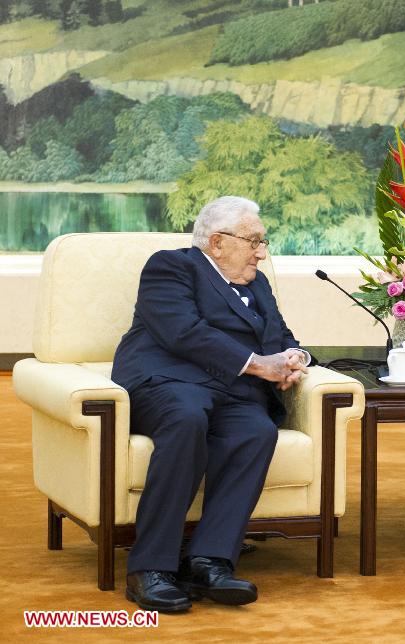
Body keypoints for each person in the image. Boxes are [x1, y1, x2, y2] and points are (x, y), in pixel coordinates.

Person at [111, 196, 313, 613]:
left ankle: (208, 560)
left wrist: (295, 359)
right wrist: (260, 365)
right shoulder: (171, 266)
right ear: (217, 242)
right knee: (186, 418)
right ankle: (149, 569)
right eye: (254, 240)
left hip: (231, 391)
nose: (262, 250)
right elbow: (183, 332)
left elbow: (280, 335)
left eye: (263, 240)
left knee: (256, 430)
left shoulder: (256, 282)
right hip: (168, 379)